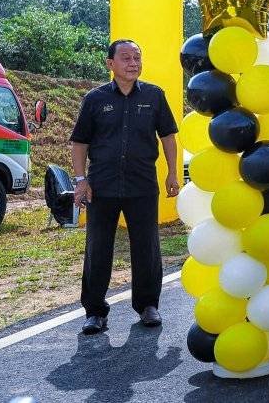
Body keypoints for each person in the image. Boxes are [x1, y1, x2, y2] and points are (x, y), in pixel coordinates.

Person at [70, 39, 179, 335]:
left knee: (146, 246)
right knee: (98, 248)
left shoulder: (155, 96)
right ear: (110, 64)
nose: (133, 63)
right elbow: (79, 142)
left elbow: (168, 136)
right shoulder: (95, 99)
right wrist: (80, 181)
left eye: (137, 57)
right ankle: (95, 311)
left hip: (142, 184)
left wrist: (172, 173)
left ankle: (147, 305)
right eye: (126, 57)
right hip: (101, 186)